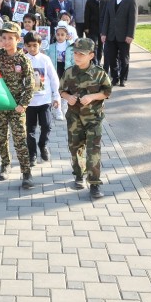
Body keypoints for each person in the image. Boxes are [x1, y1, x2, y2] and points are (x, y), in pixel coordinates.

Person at [59, 38, 112, 199]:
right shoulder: (69, 72)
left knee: (93, 151)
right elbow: (61, 90)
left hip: (93, 119)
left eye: (81, 54)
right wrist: (68, 97)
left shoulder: (99, 73)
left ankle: (94, 184)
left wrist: (92, 97)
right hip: (74, 118)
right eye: (75, 53)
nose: (77, 56)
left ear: (91, 55)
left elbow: (107, 91)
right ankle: (78, 175)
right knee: (75, 148)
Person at [0, 21, 35, 189]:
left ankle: (26, 172)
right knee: (0, 138)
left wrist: (23, 105)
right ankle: (5, 164)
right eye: (3, 38)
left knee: (20, 139)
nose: (6, 41)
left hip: (16, 108)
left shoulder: (23, 60)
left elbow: (31, 85)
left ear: (18, 39)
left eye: (10, 38)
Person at [24, 32, 60, 166]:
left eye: (35, 45)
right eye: (29, 46)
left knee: (47, 126)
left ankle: (43, 145)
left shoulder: (45, 59)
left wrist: (56, 95)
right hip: (29, 102)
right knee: (30, 130)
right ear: (25, 46)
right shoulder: (23, 59)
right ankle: (32, 154)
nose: (32, 48)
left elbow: (54, 77)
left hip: (44, 100)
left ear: (39, 44)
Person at [101, 0, 137, 87]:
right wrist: (104, 33)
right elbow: (106, 18)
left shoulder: (130, 1)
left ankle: (123, 78)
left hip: (124, 36)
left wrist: (130, 35)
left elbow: (132, 20)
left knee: (124, 58)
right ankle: (115, 78)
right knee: (111, 58)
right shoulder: (111, 2)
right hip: (111, 36)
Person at [47, 25, 75, 120]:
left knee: (66, 89)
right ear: (55, 35)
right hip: (55, 70)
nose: (60, 36)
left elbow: (73, 60)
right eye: (58, 34)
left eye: (62, 34)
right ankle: (58, 109)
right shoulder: (51, 47)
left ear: (67, 36)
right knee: (56, 90)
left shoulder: (71, 47)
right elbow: (47, 58)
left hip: (66, 70)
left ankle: (65, 107)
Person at [84, 0, 106, 66]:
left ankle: (99, 61)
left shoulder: (106, 1)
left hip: (103, 29)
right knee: (94, 46)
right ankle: (94, 62)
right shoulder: (89, 1)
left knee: (100, 46)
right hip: (92, 28)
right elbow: (86, 15)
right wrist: (86, 27)